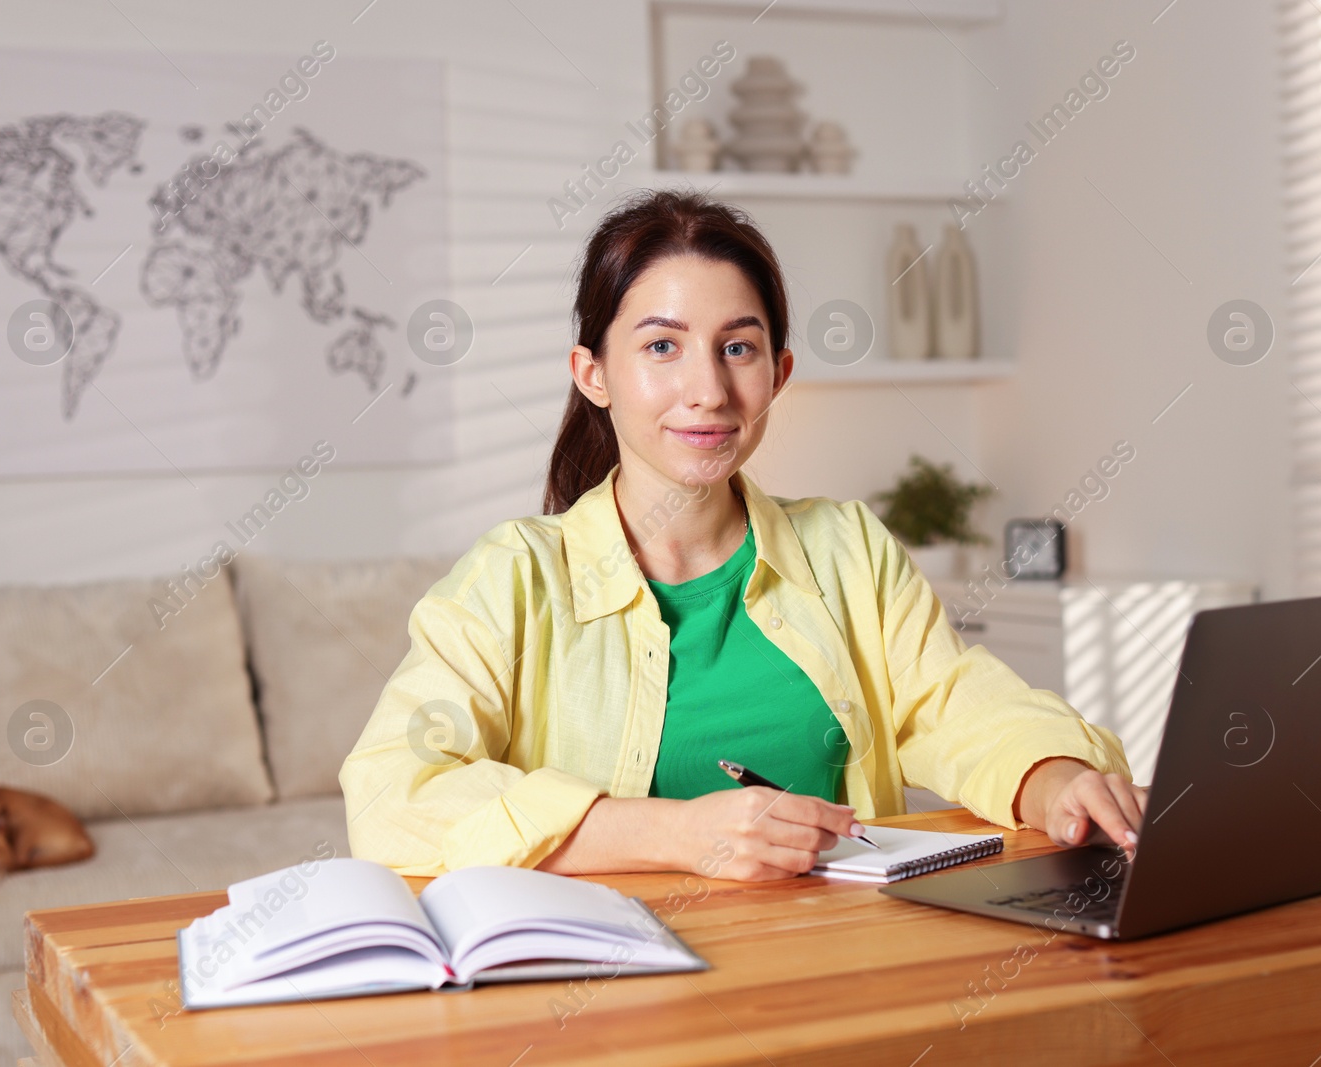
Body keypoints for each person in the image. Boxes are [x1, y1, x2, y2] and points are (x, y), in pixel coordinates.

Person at [340, 189, 1145, 881]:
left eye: (738, 348)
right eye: (662, 346)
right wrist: (674, 833)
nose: (708, 389)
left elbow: (954, 705)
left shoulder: (846, 547)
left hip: (846, 971)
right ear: (593, 374)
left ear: (779, 373)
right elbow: (392, 791)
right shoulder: (512, 578)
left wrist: (1053, 775)